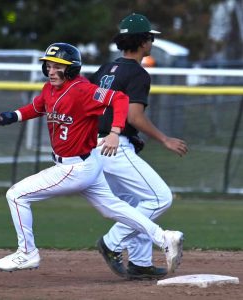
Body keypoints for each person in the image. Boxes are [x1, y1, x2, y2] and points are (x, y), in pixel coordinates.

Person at [0, 42, 183, 274]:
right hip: (87, 165)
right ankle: (165, 238)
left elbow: (120, 99)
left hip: (74, 168)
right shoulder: (50, 89)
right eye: (49, 66)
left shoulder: (82, 89)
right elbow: (35, 107)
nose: (51, 71)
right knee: (113, 208)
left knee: (16, 195)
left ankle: (27, 253)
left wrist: (114, 132)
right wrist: (8, 117)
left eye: (58, 67)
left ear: (72, 68)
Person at [90, 13, 188, 280]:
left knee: (135, 202)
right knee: (159, 198)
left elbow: (93, 108)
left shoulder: (104, 69)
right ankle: (111, 243)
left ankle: (140, 262)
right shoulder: (137, 73)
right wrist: (165, 139)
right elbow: (134, 116)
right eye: (150, 38)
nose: (151, 43)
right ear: (143, 42)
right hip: (114, 146)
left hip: (97, 146)